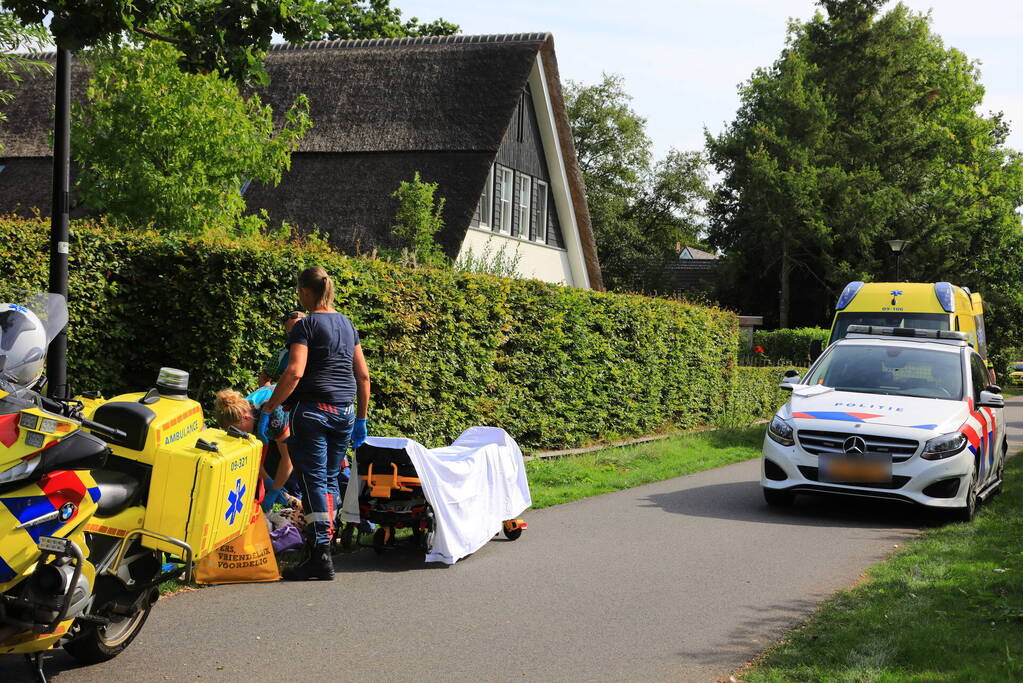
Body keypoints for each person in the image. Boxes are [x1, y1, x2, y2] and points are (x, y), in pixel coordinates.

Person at [259, 266, 371, 581]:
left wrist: (270, 406)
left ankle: (319, 554)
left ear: (306, 292)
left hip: (313, 413)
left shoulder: (305, 325)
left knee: (314, 481)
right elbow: (362, 376)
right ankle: (325, 545)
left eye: (299, 292)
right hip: (344, 413)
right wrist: (360, 419)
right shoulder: (347, 324)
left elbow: (294, 372)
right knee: (331, 479)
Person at [213, 388, 295, 511]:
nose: (240, 434)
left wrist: (274, 490)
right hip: (274, 429)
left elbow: (288, 459)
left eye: (240, 430)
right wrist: (268, 480)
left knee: (294, 480)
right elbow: (255, 458)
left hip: (304, 417)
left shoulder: (274, 415)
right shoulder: (238, 409)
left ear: (246, 417)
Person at [258, 311, 306, 387]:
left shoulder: (321, 350)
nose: (294, 336)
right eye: (290, 333)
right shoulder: (281, 353)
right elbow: (264, 378)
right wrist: (268, 391)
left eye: (297, 331)